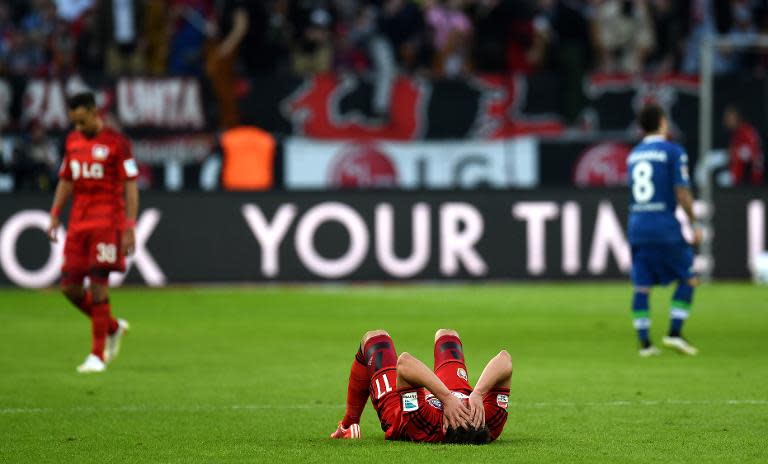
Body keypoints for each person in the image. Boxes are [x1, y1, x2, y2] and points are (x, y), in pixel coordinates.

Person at [47, 92, 137, 373]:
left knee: (99, 284)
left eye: (82, 120)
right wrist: (54, 214)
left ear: (94, 112)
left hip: (107, 222)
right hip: (78, 224)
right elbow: (66, 178)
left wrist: (129, 226)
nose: (78, 127)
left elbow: (130, 186)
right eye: (74, 121)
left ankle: (97, 355)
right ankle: (111, 326)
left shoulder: (117, 144)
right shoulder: (72, 141)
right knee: (70, 288)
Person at [330, 328, 512, 444]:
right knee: (448, 335)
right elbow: (505, 359)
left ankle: (348, 425)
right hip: (451, 391)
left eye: (463, 413)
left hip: (399, 411)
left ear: (444, 427)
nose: (466, 409)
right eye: (471, 413)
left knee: (376, 339)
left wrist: (447, 398)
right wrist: (478, 394)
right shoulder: (490, 421)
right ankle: (449, 393)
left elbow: (405, 363)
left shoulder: (424, 424)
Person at [627, 104, 701, 357]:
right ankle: (674, 333)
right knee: (688, 278)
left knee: (642, 285)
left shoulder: (633, 155)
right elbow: (681, 192)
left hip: (637, 225)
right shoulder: (673, 151)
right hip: (664, 225)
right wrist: (694, 223)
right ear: (661, 122)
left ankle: (645, 344)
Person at [723, 105, 764, 186]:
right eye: (727, 119)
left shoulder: (746, 130)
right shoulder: (734, 133)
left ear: (738, 118)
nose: (728, 121)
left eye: (730, 118)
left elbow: (754, 153)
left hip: (753, 177)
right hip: (738, 172)